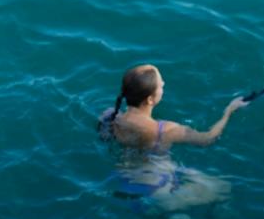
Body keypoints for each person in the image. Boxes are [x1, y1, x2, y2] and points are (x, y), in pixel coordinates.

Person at [99, 64, 247, 209]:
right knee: (224, 188)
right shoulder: (165, 130)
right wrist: (229, 111)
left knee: (189, 173)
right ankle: (176, 217)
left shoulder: (110, 115)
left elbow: (105, 137)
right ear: (150, 99)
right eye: (160, 84)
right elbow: (208, 139)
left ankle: (178, 218)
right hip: (158, 188)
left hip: (124, 177)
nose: (163, 83)